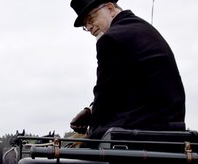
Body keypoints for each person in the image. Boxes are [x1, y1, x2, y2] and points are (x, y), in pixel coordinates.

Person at [69, 0, 186, 142]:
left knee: (73, 155)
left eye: (91, 19)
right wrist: (90, 110)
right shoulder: (142, 27)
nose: (89, 27)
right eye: (85, 26)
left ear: (110, 8)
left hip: (141, 129)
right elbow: (124, 86)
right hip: (171, 125)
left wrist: (92, 133)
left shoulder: (110, 39)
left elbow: (105, 94)